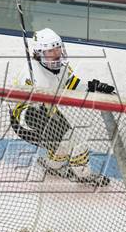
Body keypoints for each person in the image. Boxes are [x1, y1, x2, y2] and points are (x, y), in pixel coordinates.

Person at [11, 28, 115, 187]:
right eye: (50, 51)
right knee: (75, 141)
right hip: (28, 119)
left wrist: (93, 86)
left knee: (64, 141)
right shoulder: (30, 74)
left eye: (58, 48)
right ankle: (83, 175)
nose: (57, 53)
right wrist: (34, 92)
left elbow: (72, 84)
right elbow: (20, 104)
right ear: (39, 53)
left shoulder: (62, 67)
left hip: (47, 112)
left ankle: (54, 166)